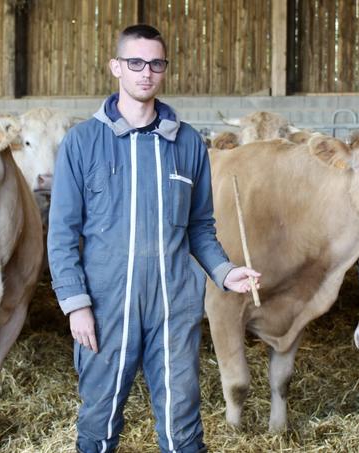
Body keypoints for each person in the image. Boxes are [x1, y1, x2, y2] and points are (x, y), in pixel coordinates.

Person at [47, 24, 261, 453]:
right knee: (98, 419)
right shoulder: (83, 142)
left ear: (164, 70)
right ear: (116, 67)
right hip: (107, 306)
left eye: (156, 64)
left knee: (182, 421)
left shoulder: (187, 144)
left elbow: (199, 227)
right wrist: (76, 305)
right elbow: (62, 234)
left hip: (173, 305)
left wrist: (226, 272)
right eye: (136, 63)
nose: (146, 72)